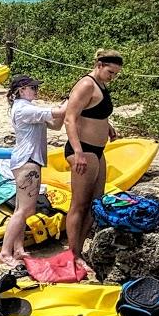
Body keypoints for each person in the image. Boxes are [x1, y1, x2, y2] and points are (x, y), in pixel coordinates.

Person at [63, 49, 124, 266]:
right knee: (79, 204)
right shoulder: (86, 84)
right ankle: (73, 255)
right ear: (99, 65)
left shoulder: (101, 85)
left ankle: (79, 249)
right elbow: (70, 119)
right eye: (110, 72)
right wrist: (78, 152)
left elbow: (93, 111)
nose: (112, 77)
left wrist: (106, 125)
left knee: (95, 204)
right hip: (82, 149)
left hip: (98, 150)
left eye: (115, 74)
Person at [0, 76, 65, 267]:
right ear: (21, 90)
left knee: (22, 209)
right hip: (27, 161)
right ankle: (5, 252)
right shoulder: (24, 108)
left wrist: (65, 103)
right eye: (33, 87)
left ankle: (18, 249)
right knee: (26, 210)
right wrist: (74, 96)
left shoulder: (31, 110)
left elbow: (57, 123)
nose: (36, 90)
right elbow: (61, 111)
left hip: (26, 160)